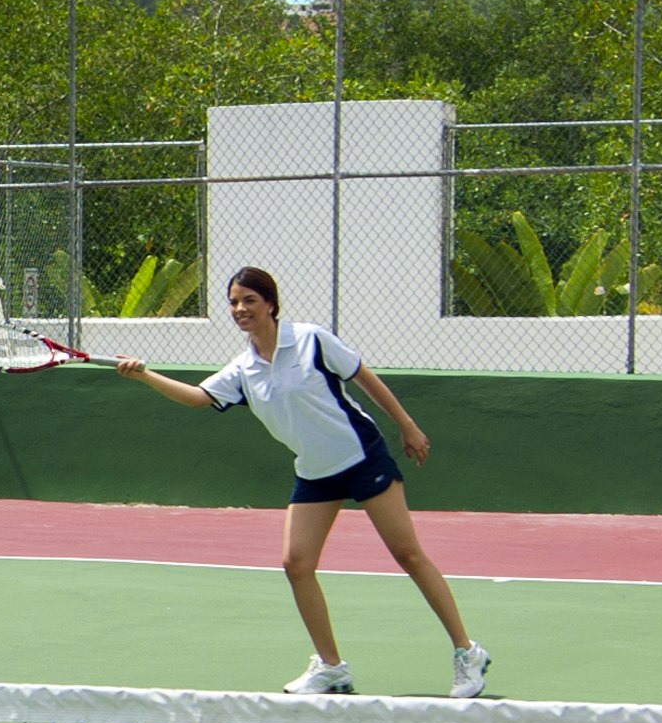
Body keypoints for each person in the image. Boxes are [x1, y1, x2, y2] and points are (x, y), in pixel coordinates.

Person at [67, 264, 492, 698]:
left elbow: (364, 377)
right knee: (296, 564)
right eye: (234, 302)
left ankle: (467, 652)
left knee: (408, 555)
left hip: (361, 457)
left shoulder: (311, 339)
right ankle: (331, 667)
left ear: (271, 305)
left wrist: (406, 424)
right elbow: (199, 398)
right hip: (315, 471)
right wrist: (143, 375)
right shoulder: (243, 369)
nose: (240, 309)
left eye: (249, 300)